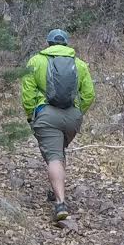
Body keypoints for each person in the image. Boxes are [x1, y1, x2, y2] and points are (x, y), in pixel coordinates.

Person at [21, 29, 95, 221]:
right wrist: (78, 111)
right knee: (60, 150)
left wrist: (32, 114)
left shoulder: (36, 61)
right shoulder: (79, 64)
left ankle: (60, 203)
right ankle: (55, 190)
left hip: (46, 115)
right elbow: (89, 95)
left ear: (48, 44)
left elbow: (28, 95)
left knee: (54, 157)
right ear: (66, 44)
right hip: (72, 117)